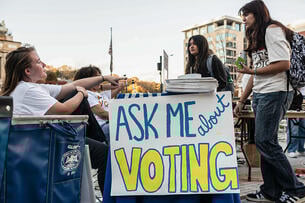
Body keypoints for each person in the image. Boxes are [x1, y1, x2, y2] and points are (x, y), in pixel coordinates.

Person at [0, 46, 124, 194]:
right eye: (39, 62)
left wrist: (103, 78)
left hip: (38, 143)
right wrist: (81, 94)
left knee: (74, 96)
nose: (44, 64)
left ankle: (95, 139)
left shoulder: (27, 87)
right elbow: (64, 109)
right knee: (104, 154)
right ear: (27, 71)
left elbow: (72, 85)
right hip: (43, 146)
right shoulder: (28, 90)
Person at [234, 0, 305, 202]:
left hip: (276, 92)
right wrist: (242, 100)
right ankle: (270, 191)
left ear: (257, 13)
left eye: (247, 15)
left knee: (266, 141)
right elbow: (255, 75)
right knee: (265, 143)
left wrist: (251, 71)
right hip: (261, 93)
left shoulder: (272, 29)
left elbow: (284, 63)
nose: (244, 20)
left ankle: (295, 188)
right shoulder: (257, 38)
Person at [73, 66, 124, 143]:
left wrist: (100, 86)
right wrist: (123, 118)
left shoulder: (100, 94)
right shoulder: (87, 94)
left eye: (100, 77)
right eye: (96, 78)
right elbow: (102, 113)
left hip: (109, 124)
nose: (100, 80)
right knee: (122, 126)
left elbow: (118, 87)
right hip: (101, 128)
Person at [287, 87, 305, 158]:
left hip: (301, 103)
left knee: (303, 128)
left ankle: (300, 149)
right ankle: (291, 150)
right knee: (293, 129)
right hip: (294, 103)